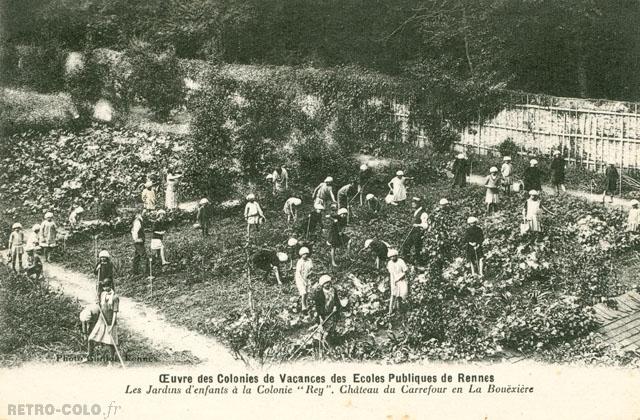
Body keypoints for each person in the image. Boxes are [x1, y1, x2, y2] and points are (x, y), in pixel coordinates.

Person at [87, 279, 119, 363]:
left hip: (110, 322)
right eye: (104, 286)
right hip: (101, 321)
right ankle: (89, 357)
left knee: (111, 343)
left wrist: (111, 326)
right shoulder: (102, 294)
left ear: (110, 285)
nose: (105, 288)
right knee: (90, 338)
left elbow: (115, 313)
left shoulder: (115, 297)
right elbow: (100, 306)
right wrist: (97, 302)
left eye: (107, 286)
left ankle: (111, 362)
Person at [402, 197, 429, 263]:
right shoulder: (416, 211)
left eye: (415, 202)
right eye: (412, 202)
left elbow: (426, 225)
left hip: (419, 233)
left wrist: (418, 225)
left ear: (419, 203)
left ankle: (419, 262)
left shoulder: (423, 213)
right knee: (406, 245)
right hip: (413, 232)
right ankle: (407, 260)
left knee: (418, 248)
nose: (413, 204)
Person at [387, 249, 408, 315]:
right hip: (393, 280)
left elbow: (405, 272)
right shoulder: (390, 263)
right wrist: (394, 281)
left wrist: (399, 278)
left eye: (394, 256)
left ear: (397, 256)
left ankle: (399, 310)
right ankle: (390, 311)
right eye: (391, 257)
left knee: (400, 295)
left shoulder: (401, 261)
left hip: (401, 279)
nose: (393, 258)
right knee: (393, 294)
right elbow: (391, 273)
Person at [295, 247, 313, 311]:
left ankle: (306, 303)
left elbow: (311, 269)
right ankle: (303, 305)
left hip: (307, 277)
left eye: (306, 254)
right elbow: (298, 273)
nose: (305, 255)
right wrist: (303, 281)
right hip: (300, 278)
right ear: (301, 255)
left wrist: (310, 274)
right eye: (304, 254)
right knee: (303, 292)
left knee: (307, 292)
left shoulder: (309, 260)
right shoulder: (299, 262)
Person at [131, 212, 149, 276]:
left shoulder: (140, 220)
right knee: (144, 256)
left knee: (137, 257)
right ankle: (146, 273)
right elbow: (134, 231)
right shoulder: (137, 221)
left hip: (140, 241)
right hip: (138, 242)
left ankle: (135, 272)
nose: (145, 213)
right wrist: (136, 239)